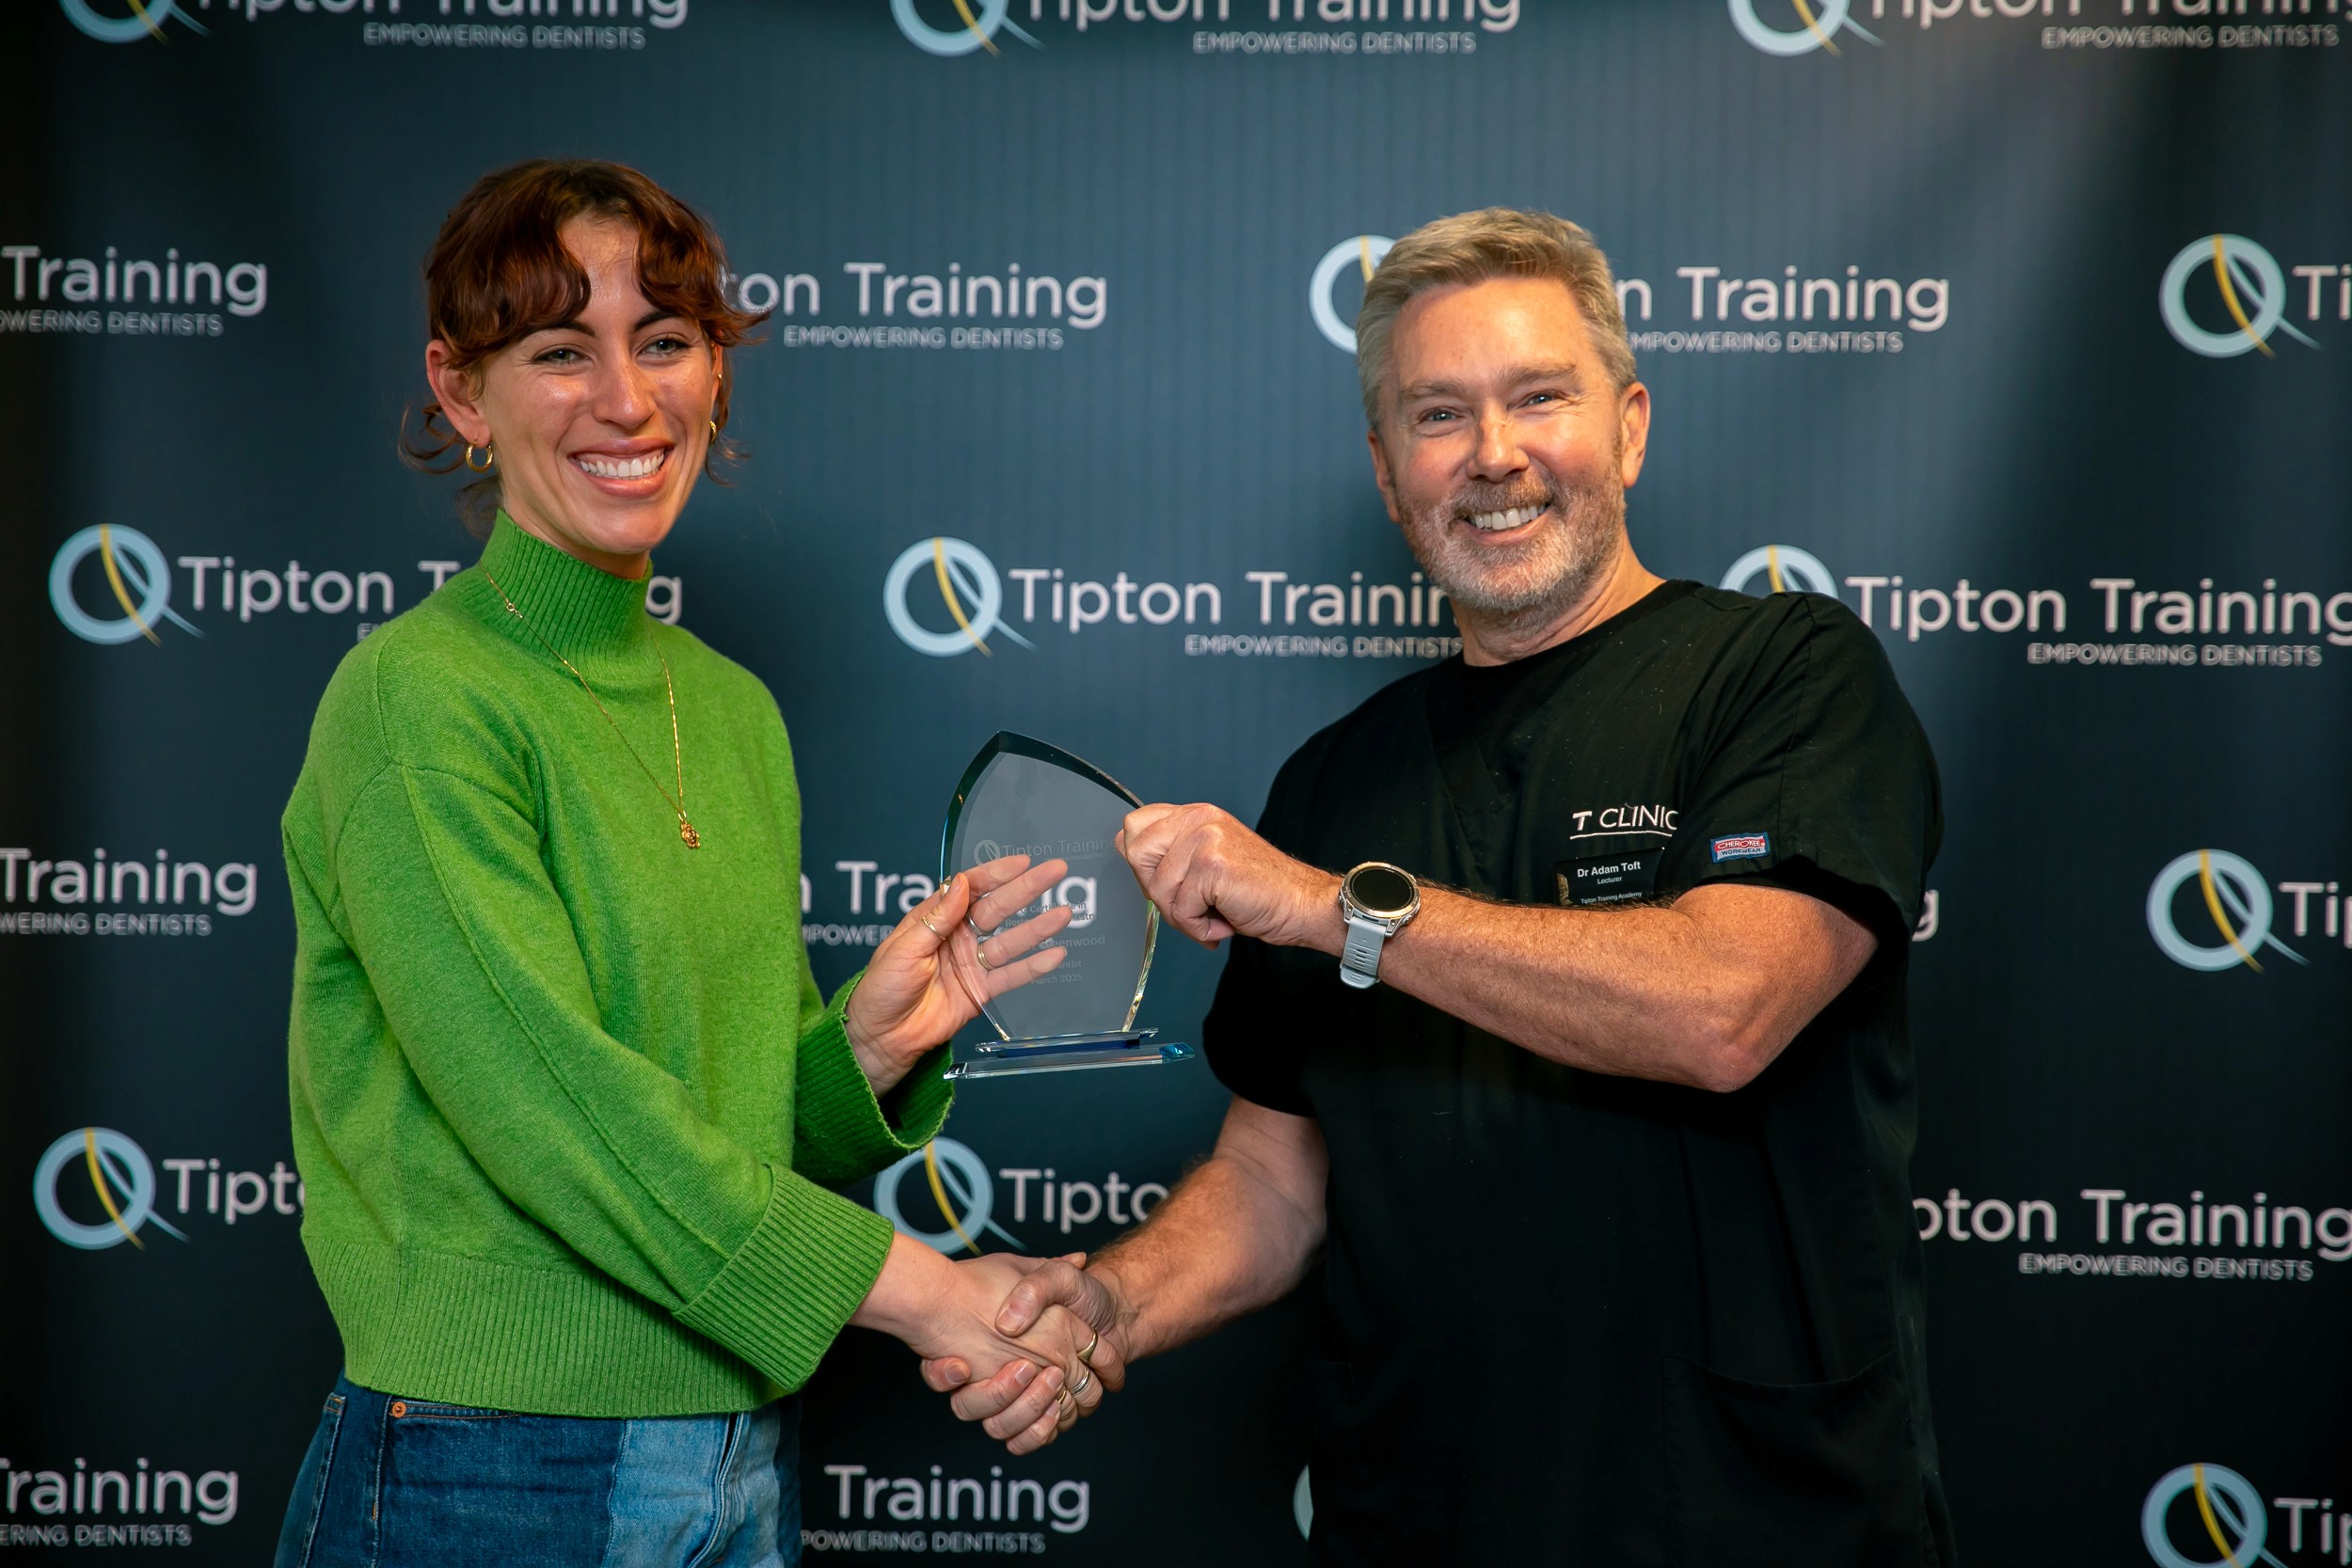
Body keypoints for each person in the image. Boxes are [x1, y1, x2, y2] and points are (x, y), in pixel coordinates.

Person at [928, 209, 1954, 1566]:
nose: (1496, 457)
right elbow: (1278, 1180)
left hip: (1751, 1517)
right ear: (1387, 468)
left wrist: (1333, 909)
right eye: (1438, 416)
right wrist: (1113, 1304)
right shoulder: (1334, 782)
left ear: (1630, 426)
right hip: (1413, 1517)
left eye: (1541, 398)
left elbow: (1724, 1009)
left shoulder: (1785, 674)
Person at [274, 160, 1100, 1568]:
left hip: (731, 1456)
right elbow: (563, 1118)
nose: (627, 400)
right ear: (462, 393)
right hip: (485, 1461)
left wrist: (860, 1060)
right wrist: (932, 1297)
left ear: (716, 372)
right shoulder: (416, 701)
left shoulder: (728, 708)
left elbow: (716, 1128)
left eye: (665, 342)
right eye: (558, 353)